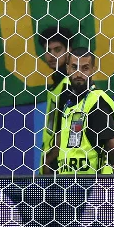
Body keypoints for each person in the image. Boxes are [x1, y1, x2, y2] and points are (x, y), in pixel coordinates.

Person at [45, 48, 114, 174]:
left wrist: (110, 163)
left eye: (85, 68)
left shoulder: (97, 100)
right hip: (69, 181)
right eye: (74, 67)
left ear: (93, 70)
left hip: (94, 182)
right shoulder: (69, 104)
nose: (79, 74)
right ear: (68, 68)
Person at [37, 26, 75, 174]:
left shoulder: (70, 85)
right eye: (48, 50)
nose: (51, 55)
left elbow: (69, 128)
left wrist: (49, 160)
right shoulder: (57, 85)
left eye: (57, 50)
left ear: (69, 50)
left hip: (63, 165)